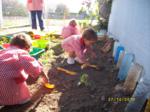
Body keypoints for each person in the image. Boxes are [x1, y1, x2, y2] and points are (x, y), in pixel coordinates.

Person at [0, 33, 47, 105]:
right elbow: (33, 67)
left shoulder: (3, 51)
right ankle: (15, 101)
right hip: (7, 82)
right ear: (26, 47)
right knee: (23, 98)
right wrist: (41, 73)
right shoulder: (21, 53)